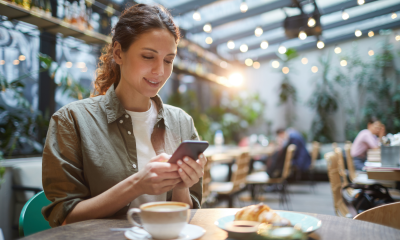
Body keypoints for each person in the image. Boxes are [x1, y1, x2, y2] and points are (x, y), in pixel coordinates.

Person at [41, 4, 206, 227]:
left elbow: (187, 215)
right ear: (118, 53)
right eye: (148, 56)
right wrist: (137, 184)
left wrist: (182, 183)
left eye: (168, 60)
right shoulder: (72, 121)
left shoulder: (181, 122)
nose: (160, 71)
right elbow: (65, 218)